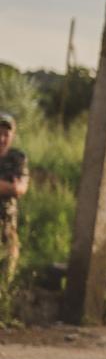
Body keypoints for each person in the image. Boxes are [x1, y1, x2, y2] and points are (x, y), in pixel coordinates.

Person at [0, 112, 29, 279]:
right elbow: (13, 189)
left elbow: (20, 189)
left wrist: (14, 189)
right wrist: (9, 187)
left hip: (8, 226)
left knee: (6, 276)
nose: (2, 138)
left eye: (6, 134)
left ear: (12, 136)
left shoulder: (18, 158)